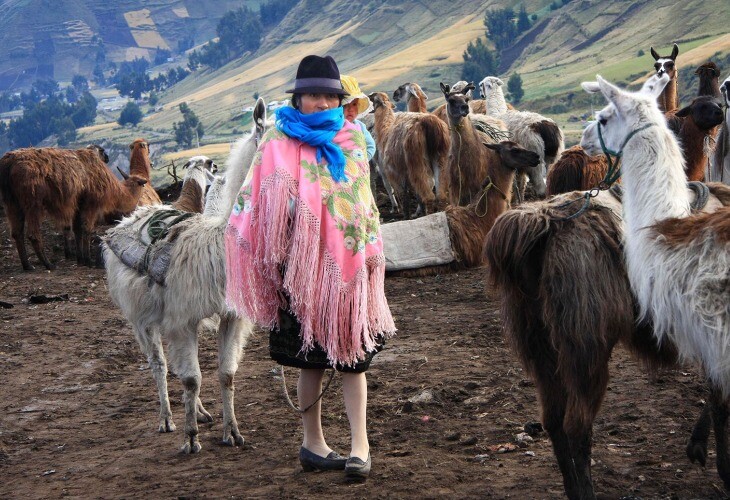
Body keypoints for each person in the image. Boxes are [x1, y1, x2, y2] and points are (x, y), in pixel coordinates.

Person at [225, 55, 396, 482]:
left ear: (339, 99)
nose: (320, 102)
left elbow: (361, 208)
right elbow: (257, 206)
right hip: (297, 275)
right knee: (311, 362)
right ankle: (313, 444)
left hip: (345, 274)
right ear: (297, 99)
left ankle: (360, 446)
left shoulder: (352, 139)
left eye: (328, 95)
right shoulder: (276, 144)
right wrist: (284, 247)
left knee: (353, 362)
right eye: (312, 95)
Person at [340, 74, 376, 161]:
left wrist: (362, 161)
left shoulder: (360, 127)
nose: (350, 109)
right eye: (345, 105)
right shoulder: (334, 127)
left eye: (354, 104)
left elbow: (371, 146)